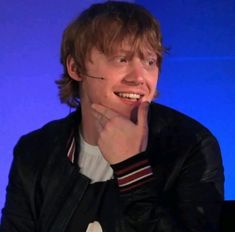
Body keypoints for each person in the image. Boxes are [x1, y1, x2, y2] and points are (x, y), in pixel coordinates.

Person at [0, 1, 224, 231]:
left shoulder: (191, 145)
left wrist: (132, 170)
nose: (139, 77)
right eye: (122, 59)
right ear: (76, 68)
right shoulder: (35, 151)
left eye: (150, 62)